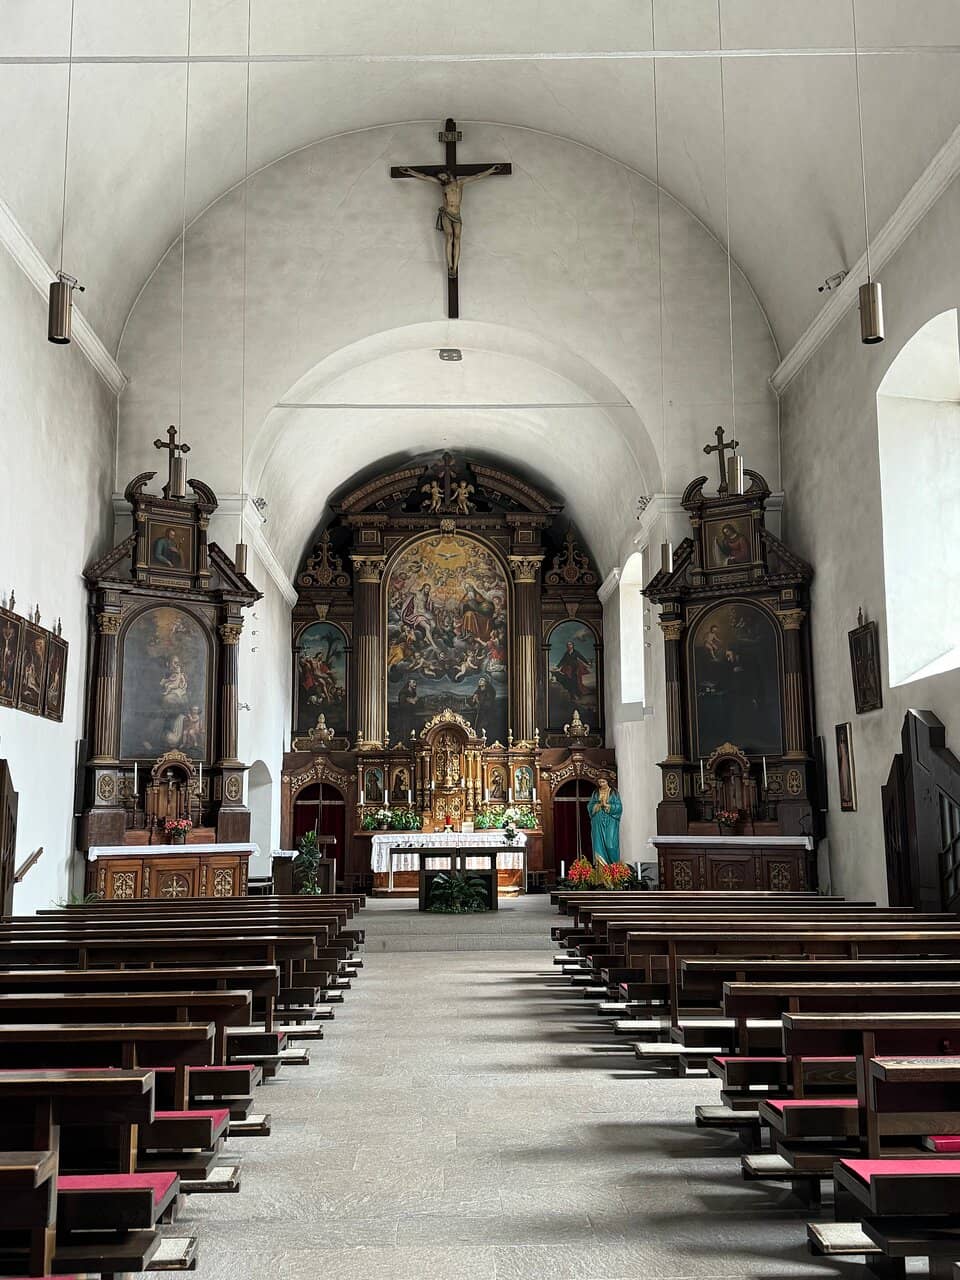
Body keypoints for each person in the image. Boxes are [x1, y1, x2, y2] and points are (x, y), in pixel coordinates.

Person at [399, 164, 504, 276]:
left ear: (448, 174)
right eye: (441, 178)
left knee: (457, 238)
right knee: (449, 237)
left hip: (457, 215)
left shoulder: (460, 182)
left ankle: (455, 266)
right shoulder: (442, 184)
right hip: (446, 213)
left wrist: (492, 170)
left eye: (444, 176)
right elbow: (425, 177)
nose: (443, 179)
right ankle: (450, 266)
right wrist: (410, 171)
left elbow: (477, 176)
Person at [588, 778, 623, 864]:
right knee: (598, 845)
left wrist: (608, 806)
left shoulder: (614, 792)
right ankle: (601, 869)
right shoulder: (596, 793)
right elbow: (590, 806)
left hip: (610, 821)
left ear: (608, 781)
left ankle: (615, 868)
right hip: (598, 821)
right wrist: (597, 805)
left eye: (603, 782)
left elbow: (619, 807)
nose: (601, 784)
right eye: (599, 782)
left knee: (610, 844)